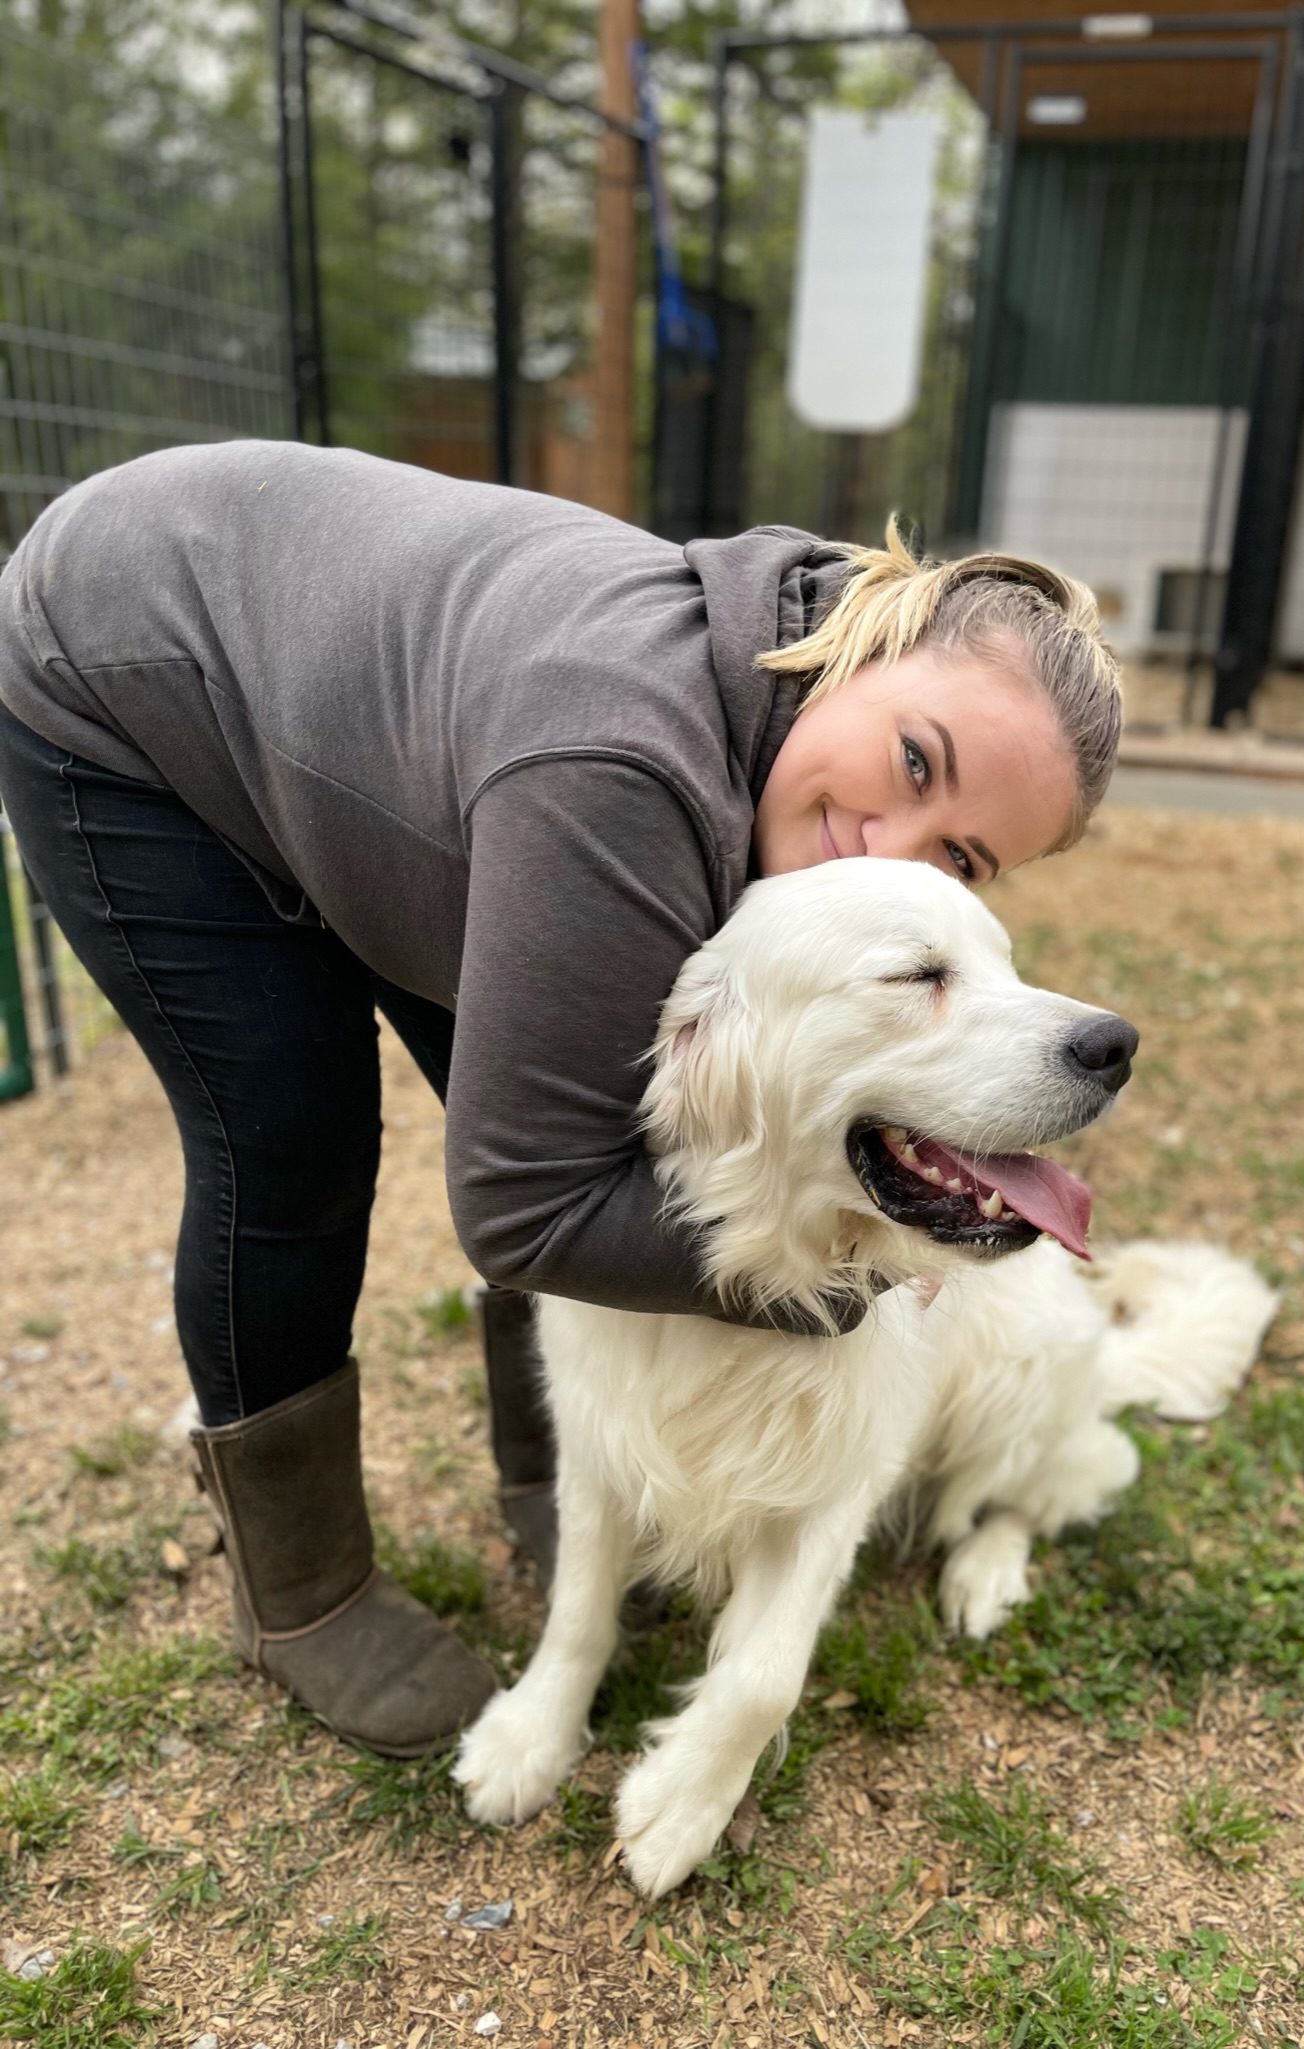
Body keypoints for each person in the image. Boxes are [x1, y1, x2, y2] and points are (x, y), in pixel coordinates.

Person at [0, 440, 1121, 1758]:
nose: (887, 847)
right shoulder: (621, 766)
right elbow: (529, 1206)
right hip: (126, 685)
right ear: (869, 641)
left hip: (380, 744)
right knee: (289, 1137)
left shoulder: (775, 757)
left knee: (558, 1082)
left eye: (960, 855)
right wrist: (860, 1265)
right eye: (916, 762)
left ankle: (552, 1472)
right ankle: (301, 1595)